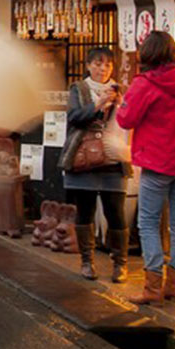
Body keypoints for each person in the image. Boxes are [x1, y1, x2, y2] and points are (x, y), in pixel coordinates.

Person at [116, 30, 175, 305]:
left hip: (157, 162)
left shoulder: (145, 83)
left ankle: (152, 288)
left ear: (148, 53)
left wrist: (122, 102)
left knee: (148, 222)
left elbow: (125, 119)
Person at [62, 47, 128, 282]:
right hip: (83, 160)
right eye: (98, 64)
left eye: (108, 65)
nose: (103, 69)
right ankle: (87, 262)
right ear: (88, 65)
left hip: (112, 159)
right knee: (85, 212)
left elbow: (128, 122)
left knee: (116, 212)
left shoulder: (120, 90)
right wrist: (97, 105)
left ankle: (120, 264)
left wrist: (121, 106)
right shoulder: (78, 89)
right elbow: (74, 118)